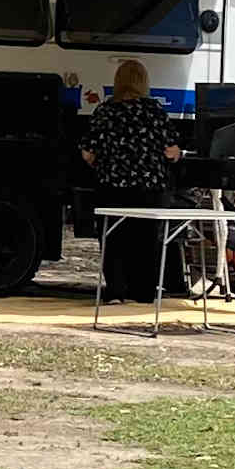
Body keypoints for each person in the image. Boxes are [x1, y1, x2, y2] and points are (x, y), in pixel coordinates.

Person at [81, 57, 172, 299]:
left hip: (113, 189)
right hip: (150, 190)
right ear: (144, 83)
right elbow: (171, 151)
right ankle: (143, 293)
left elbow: (88, 153)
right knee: (146, 242)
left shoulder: (105, 111)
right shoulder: (155, 111)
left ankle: (116, 291)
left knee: (113, 241)